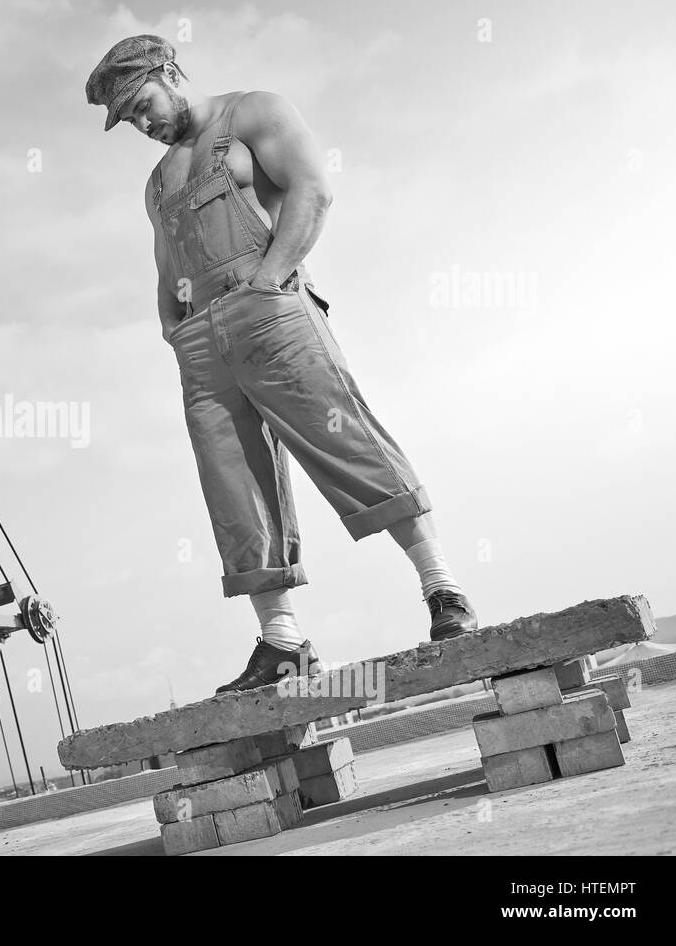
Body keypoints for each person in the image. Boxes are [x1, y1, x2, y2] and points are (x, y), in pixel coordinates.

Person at [85, 35, 478, 695]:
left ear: (170, 72)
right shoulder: (157, 184)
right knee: (232, 485)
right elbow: (166, 264)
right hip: (203, 345)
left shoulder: (254, 113)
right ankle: (284, 643)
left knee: (346, 439)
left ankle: (444, 589)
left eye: (143, 104)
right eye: (129, 119)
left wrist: (269, 280)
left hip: (270, 307)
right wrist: (174, 329)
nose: (142, 123)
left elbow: (313, 190)